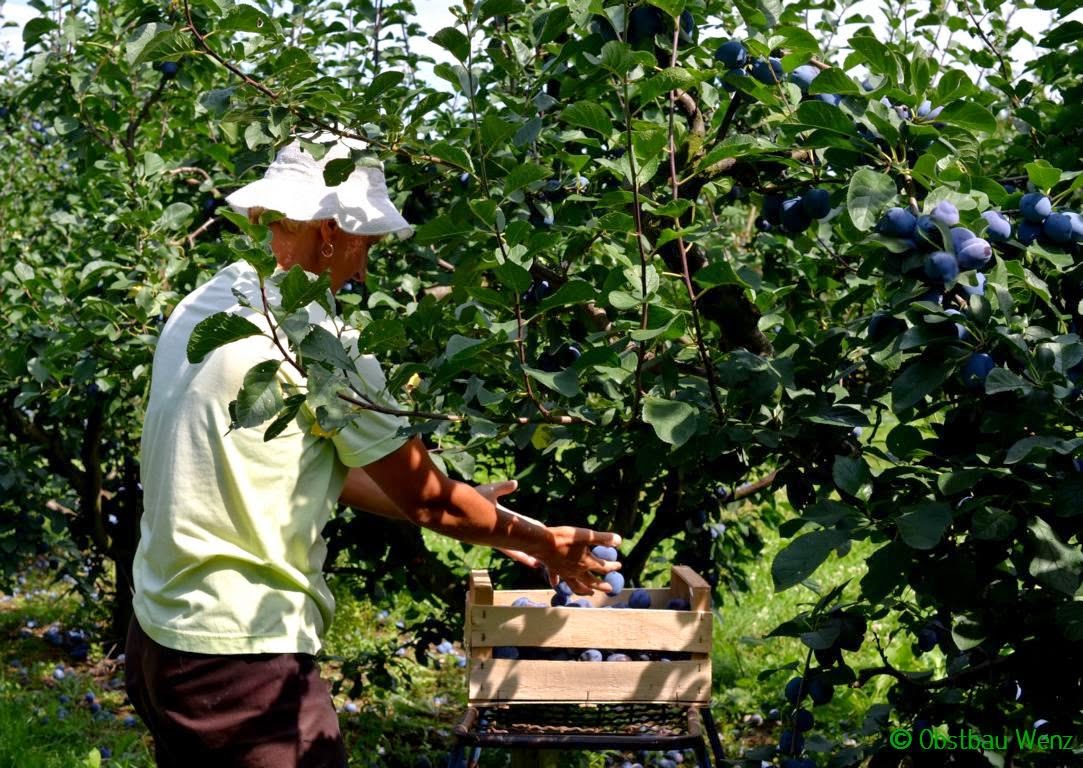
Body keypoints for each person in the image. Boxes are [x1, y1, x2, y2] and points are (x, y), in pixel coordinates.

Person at [124, 132, 623, 767]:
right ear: (331, 231)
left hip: (161, 637)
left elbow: (311, 467)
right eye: (366, 245)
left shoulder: (209, 304)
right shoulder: (316, 344)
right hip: (240, 658)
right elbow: (430, 505)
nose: (363, 270)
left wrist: (478, 514)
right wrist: (538, 540)